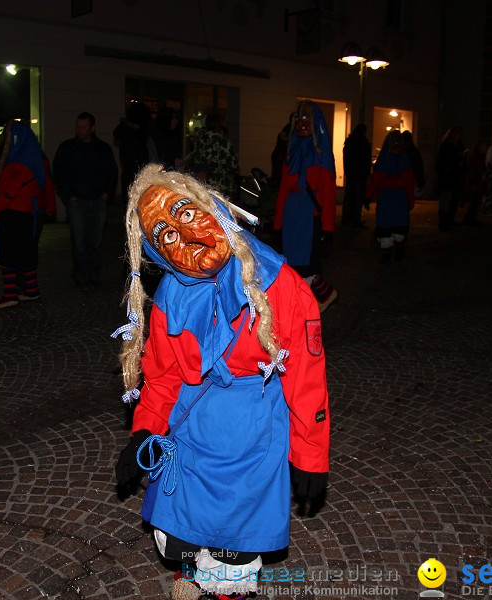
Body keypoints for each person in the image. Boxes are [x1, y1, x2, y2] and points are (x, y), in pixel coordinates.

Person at [114, 164, 330, 600]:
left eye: (187, 214)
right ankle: (194, 575)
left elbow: (306, 378)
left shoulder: (280, 285)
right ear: (157, 255)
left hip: (254, 428)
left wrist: (310, 456)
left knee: (233, 545)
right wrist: (144, 431)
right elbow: (163, 375)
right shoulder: (172, 296)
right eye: (167, 236)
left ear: (212, 208)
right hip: (192, 426)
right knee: (177, 532)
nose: (186, 236)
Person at [274, 100, 338, 313]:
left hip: (309, 217)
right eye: (299, 118)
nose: (302, 122)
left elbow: (328, 190)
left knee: (308, 264)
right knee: (292, 265)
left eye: (306, 118)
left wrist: (328, 227)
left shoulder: (321, 152)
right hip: (292, 217)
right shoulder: (292, 150)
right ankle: (305, 304)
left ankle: (323, 295)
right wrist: (278, 224)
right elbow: (283, 189)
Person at [0, 121, 51, 309]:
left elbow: (8, 193)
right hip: (27, 215)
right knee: (26, 255)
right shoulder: (30, 159)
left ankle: (10, 294)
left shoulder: (18, 165)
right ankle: (31, 290)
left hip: (14, 215)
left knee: (8, 256)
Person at [52, 112, 117, 287]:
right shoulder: (68, 148)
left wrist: (106, 194)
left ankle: (93, 273)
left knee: (95, 241)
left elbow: (112, 172)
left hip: (98, 201)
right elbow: (58, 172)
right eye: (77, 127)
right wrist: (69, 196)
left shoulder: (103, 149)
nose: (79, 130)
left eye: (83, 127)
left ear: (92, 128)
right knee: (79, 241)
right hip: (77, 202)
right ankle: (80, 274)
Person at [365, 130, 415, 262]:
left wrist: (410, 199)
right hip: (387, 199)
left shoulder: (404, 161)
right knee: (386, 226)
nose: (396, 146)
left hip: (399, 199)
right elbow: (375, 180)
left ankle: (398, 250)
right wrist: (368, 196)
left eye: (398, 143)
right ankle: (387, 253)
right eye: (394, 142)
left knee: (398, 227)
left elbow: (409, 183)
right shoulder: (384, 160)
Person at [185, 113, 239, 198]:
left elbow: (195, 160)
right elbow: (233, 165)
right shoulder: (225, 142)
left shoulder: (200, 141)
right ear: (219, 125)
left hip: (204, 183)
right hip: (221, 184)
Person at [113, 101, 154, 199]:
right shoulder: (134, 135)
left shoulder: (131, 133)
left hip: (134, 179)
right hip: (136, 180)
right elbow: (137, 159)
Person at [341, 123, 372, 229]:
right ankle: (355, 220)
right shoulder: (364, 143)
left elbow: (346, 159)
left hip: (351, 174)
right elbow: (366, 160)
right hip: (360, 175)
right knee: (358, 198)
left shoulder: (350, 142)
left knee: (349, 197)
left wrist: (346, 172)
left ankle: (346, 220)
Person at [435, 126, 465, 231]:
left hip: (455, 177)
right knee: (446, 201)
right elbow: (441, 162)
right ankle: (444, 222)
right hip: (447, 178)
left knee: (453, 200)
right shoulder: (447, 146)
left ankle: (450, 219)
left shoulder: (459, 146)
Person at [462, 139, 488, 225]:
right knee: (475, 201)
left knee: (477, 201)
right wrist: (473, 182)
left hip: (479, 182)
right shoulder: (476, 158)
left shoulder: (481, 157)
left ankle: (472, 218)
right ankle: (469, 219)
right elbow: (472, 171)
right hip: (476, 182)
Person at [401, 130, 426, 197]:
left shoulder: (402, 150)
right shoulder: (414, 150)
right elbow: (419, 165)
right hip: (412, 175)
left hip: (404, 175)